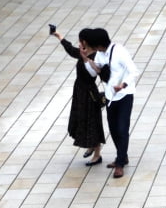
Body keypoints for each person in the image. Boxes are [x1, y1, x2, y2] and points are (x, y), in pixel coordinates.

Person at [86, 27, 138, 178]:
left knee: (122, 129)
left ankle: (120, 163)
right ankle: (123, 155)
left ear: (98, 44)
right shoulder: (100, 55)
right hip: (110, 96)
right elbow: (95, 71)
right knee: (113, 129)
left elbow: (134, 70)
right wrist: (86, 59)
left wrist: (123, 84)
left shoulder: (119, 52)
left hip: (124, 95)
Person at [52, 27, 105, 166]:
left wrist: (85, 58)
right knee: (82, 119)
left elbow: (94, 73)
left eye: (80, 40)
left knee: (92, 122)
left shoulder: (96, 57)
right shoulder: (83, 52)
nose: (79, 43)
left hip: (89, 93)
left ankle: (97, 153)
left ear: (85, 41)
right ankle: (91, 145)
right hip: (80, 92)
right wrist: (59, 36)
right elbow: (70, 50)